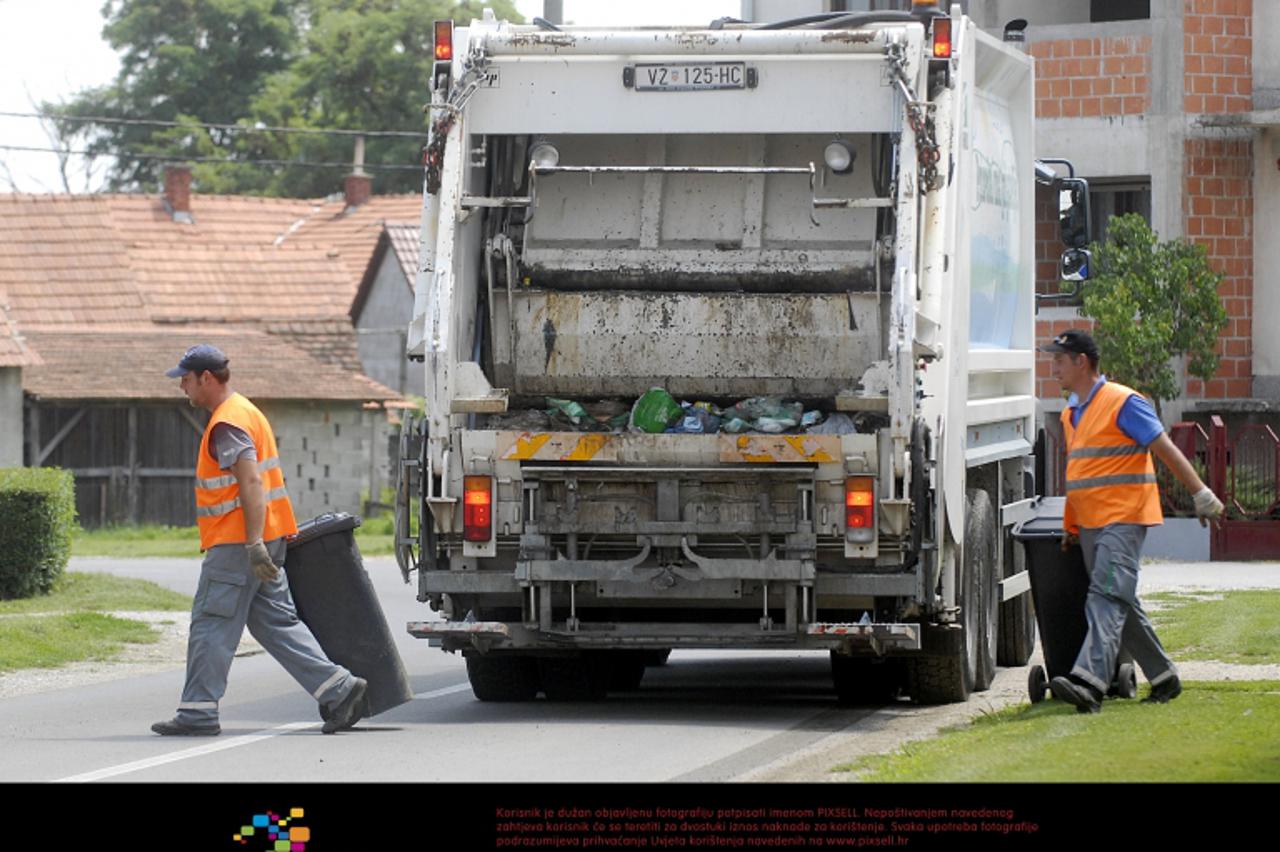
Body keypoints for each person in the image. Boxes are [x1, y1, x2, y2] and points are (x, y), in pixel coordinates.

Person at [151, 344, 367, 736]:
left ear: (207, 378)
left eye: (185, 378)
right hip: (266, 538)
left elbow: (250, 480)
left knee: (211, 622)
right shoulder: (247, 411)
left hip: (240, 544)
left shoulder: (227, 423)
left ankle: (198, 712)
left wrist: (252, 544)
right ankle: (339, 688)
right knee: (276, 623)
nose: (181, 386)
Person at [1042, 329, 1225, 713]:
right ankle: (1164, 676)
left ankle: (1089, 682)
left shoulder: (1124, 402)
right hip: (1091, 524)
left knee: (1106, 596)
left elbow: (1166, 448)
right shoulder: (1071, 413)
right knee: (1121, 600)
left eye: (1059, 359)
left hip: (1123, 519)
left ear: (1082, 362)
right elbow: (1079, 474)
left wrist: (1200, 494)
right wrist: (1071, 526)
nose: (1053, 367)